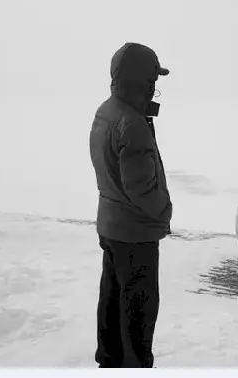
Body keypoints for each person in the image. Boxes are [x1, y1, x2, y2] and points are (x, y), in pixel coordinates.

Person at [89, 42, 173, 368]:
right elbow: (141, 188)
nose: (156, 87)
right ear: (141, 81)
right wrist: (163, 209)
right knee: (138, 309)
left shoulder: (107, 111)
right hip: (134, 231)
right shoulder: (132, 123)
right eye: (153, 80)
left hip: (111, 225)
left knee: (112, 299)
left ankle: (109, 362)